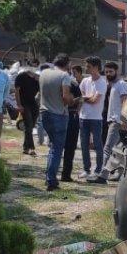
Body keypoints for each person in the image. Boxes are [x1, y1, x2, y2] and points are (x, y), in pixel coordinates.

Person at [39, 55, 75, 190]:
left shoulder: (44, 73)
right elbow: (66, 97)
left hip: (44, 113)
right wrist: (73, 99)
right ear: (67, 63)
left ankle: (48, 176)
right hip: (58, 114)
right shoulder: (64, 76)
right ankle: (51, 180)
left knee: (52, 147)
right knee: (57, 149)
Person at [99, 61, 127, 180]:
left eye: (110, 71)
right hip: (113, 120)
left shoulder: (121, 84)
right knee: (119, 149)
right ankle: (119, 174)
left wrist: (123, 120)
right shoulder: (113, 85)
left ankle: (102, 174)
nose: (108, 74)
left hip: (117, 121)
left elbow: (125, 102)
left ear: (116, 71)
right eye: (106, 72)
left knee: (107, 148)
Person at [79, 57, 108, 183]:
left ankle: (98, 170)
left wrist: (85, 98)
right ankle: (86, 169)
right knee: (84, 144)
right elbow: (80, 97)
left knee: (97, 145)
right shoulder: (85, 80)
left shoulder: (102, 82)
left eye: (89, 66)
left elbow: (95, 100)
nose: (86, 68)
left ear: (96, 67)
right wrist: (87, 98)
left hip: (96, 118)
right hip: (83, 117)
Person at [61, 64, 83, 182]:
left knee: (56, 147)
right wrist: (78, 100)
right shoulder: (73, 84)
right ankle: (65, 174)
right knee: (70, 147)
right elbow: (78, 100)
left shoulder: (52, 82)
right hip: (70, 115)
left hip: (57, 115)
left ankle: (52, 173)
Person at [14, 61, 41, 156]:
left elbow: (41, 92)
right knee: (28, 125)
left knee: (30, 126)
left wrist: (39, 80)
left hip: (33, 104)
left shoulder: (37, 78)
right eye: (32, 65)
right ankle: (31, 148)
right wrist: (19, 105)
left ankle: (25, 147)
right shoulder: (21, 76)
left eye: (36, 66)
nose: (34, 68)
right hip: (24, 103)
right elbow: (16, 91)